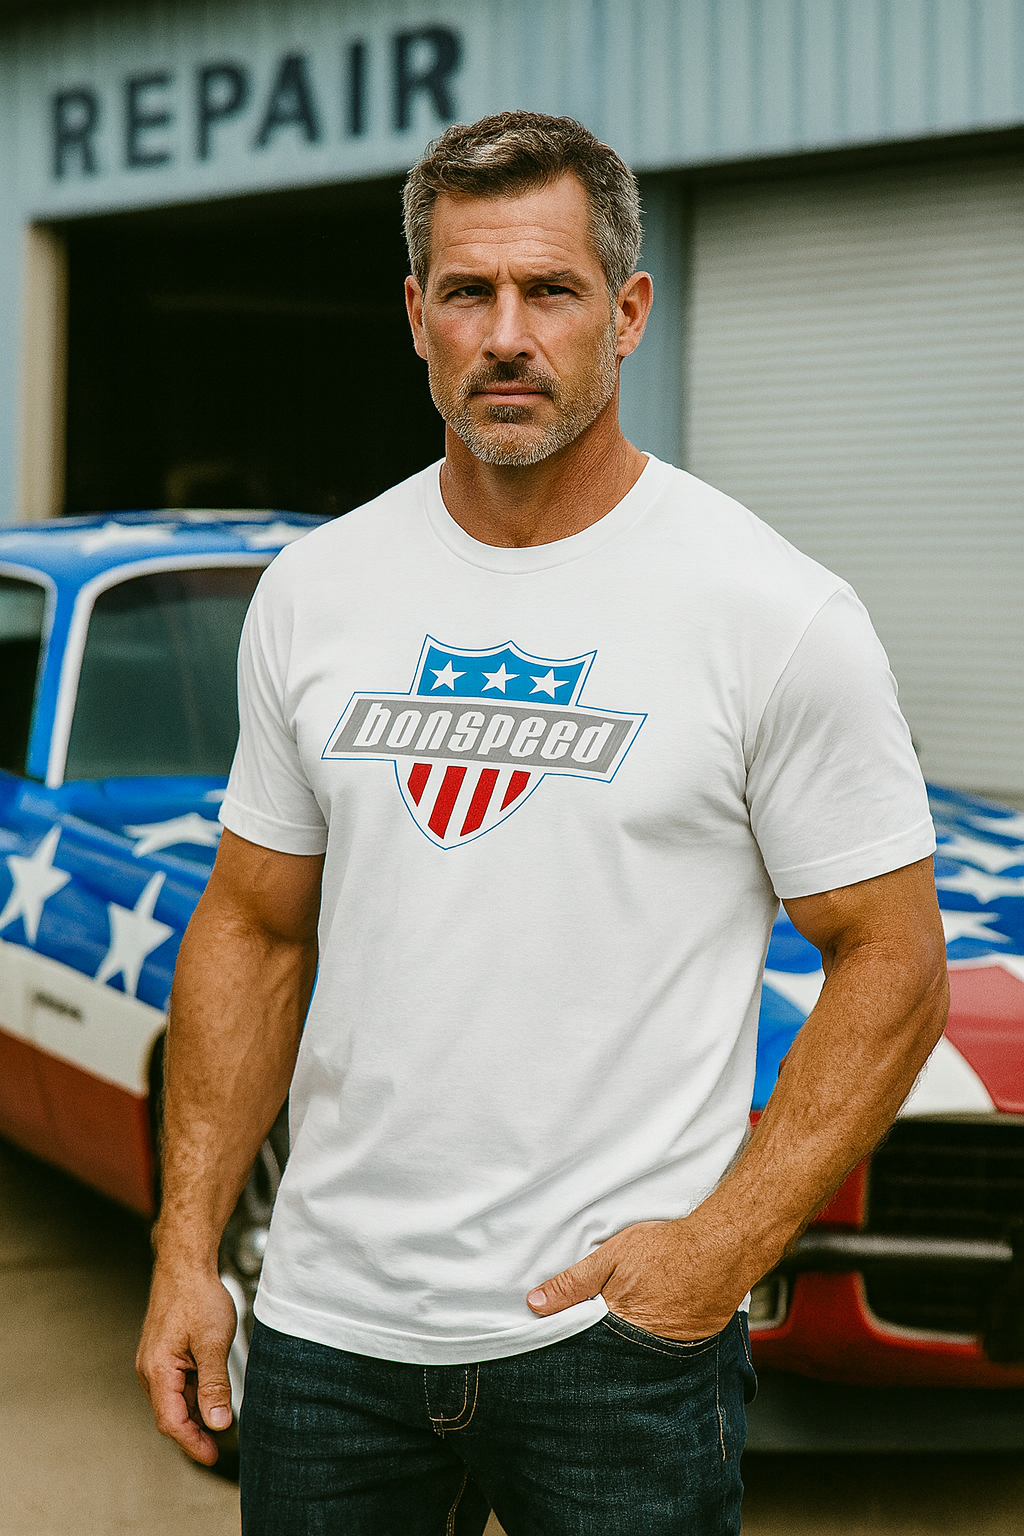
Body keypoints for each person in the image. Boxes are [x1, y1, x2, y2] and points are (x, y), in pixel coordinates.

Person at [137, 112, 948, 1535]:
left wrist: (719, 1249)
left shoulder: (770, 612)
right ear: (415, 315)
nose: (507, 332)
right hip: (329, 1331)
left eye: (551, 290)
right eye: (468, 290)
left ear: (627, 312)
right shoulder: (317, 592)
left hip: (615, 1348)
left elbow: (893, 962)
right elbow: (255, 927)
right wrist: (187, 1248)